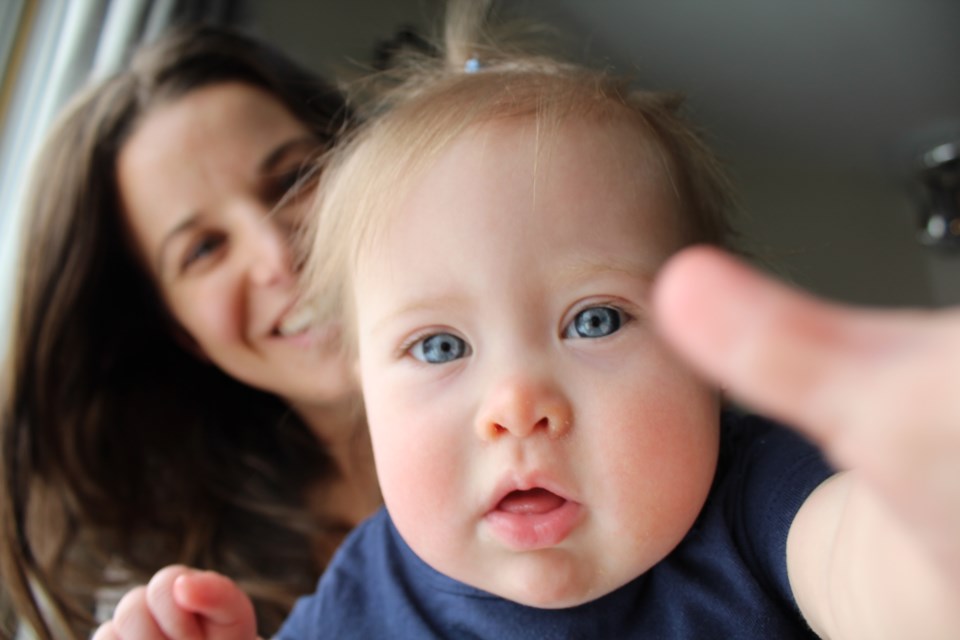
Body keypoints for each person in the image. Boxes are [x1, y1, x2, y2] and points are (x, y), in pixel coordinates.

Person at [91, 3, 960, 639]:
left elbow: (871, 570)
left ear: (705, 345)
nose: (515, 403)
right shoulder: (360, 592)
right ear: (360, 373)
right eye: (438, 346)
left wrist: (923, 527)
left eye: (593, 322)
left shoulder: (760, 502)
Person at [0, 25, 381, 640]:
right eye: (203, 249)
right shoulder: (187, 599)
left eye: (292, 179)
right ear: (179, 331)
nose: (277, 257)